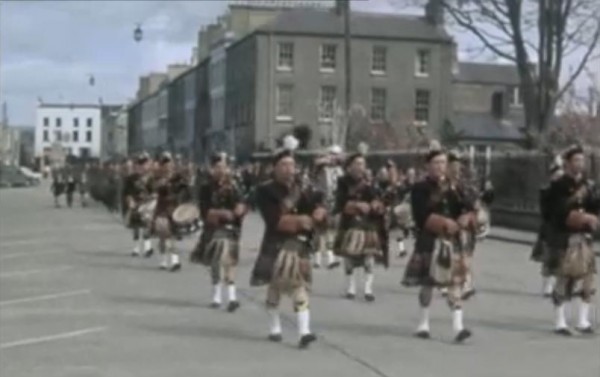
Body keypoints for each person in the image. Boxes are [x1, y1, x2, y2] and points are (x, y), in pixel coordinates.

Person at [250, 145, 324, 348]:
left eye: (291, 164)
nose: (289, 169)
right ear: (274, 168)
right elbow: (275, 220)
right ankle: (275, 326)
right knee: (275, 287)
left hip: (300, 245)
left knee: (299, 288)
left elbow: (316, 206)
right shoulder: (265, 190)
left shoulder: (303, 188)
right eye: (283, 164)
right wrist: (300, 220)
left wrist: (319, 212)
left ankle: (304, 332)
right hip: (277, 243)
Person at [402, 141, 477, 343]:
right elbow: (420, 216)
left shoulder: (456, 187)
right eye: (436, 163)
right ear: (429, 165)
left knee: (455, 283)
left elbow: (468, 208)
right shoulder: (420, 188)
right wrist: (444, 223)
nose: (440, 166)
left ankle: (458, 327)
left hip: (452, 241)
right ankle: (423, 323)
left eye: (443, 162)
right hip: (430, 239)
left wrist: (466, 218)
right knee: (428, 284)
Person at [545, 145, 599, 335]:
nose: (580, 164)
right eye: (576, 160)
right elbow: (556, 212)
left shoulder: (589, 185)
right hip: (565, 236)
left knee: (588, 278)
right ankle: (560, 321)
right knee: (564, 278)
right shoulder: (559, 185)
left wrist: (593, 218)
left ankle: (583, 320)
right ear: (568, 163)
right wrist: (580, 218)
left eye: (582, 160)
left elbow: (594, 205)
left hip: (584, 237)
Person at [191, 152, 247, 312]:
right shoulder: (206, 187)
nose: (221, 170)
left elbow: (242, 203)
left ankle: (231, 297)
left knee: (230, 261)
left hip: (231, 228)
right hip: (214, 227)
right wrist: (220, 213)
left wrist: (241, 209)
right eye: (218, 167)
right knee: (216, 261)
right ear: (212, 168)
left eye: (223, 166)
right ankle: (216, 294)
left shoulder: (235, 184)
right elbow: (204, 210)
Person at [333, 150, 385, 302]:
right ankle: (351, 287)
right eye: (357, 164)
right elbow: (340, 202)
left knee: (369, 257)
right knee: (349, 257)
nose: (360, 167)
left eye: (362, 164)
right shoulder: (342, 182)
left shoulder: (370, 182)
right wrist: (356, 205)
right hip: (349, 223)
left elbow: (377, 198)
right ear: (349, 166)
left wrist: (375, 205)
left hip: (367, 223)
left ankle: (368, 289)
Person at [531, 159, 563, 297]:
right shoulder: (546, 191)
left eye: (560, 175)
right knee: (548, 257)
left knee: (561, 258)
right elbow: (545, 210)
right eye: (556, 174)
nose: (558, 177)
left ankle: (556, 284)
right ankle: (547, 284)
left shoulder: (566, 190)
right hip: (549, 227)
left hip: (562, 228)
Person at [123, 153, 154, 258]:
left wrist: (152, 199)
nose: (143, 166)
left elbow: (154, 191)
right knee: (136, 227)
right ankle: (136, 248)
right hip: (135, 203)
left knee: (147, 226)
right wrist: (130, 201)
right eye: (140, 164)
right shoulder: (131, 178)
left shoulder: (151, 178)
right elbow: (126, 192)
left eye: (145, 163)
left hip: (147, 203)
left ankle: (147, 248)